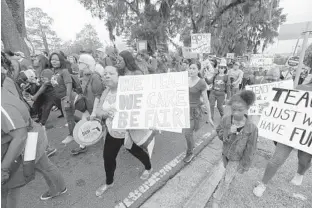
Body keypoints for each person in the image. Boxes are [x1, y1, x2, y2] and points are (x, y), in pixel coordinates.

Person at [1, 55, 66, 208]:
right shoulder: (7, 81)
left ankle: (58, 188)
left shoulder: (5, 84)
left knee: (42, 166)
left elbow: (19, 132)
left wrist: (2, 167)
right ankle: (59, 188)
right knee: (43, 165)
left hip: (28, 139)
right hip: (29, 135)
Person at [94, 66, 153, 196]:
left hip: (128, 133)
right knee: (108, 158)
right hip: (112, 133)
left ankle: (148, 167)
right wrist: (105, 114)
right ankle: (109, 182)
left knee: (138, 153)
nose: (107, 76)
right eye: (104, 74)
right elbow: (98, 110)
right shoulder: (105, 92)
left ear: (119, 76)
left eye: (111, 73)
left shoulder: (128, 90)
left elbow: (144, 105)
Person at [253, 79, 312, 198]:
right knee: (277, 159)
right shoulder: (301, 88)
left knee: (304, 160)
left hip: (308, 135)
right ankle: (263, 183)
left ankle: (300, 174)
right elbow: (284, 106)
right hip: (289, 131)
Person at [211, 90, 258, 208]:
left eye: (240, 110)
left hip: (237, 158)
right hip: (225, 154)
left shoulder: (251, 127)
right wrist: (227, 132)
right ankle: (229, 176)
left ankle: (217, 198)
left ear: (247, 108)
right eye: (233, 110)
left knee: (226, 179)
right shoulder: (226, 119)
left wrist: (245, 164)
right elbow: (219, 132)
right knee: (227, 170)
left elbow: (251, 148)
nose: (236, 113)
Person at [70, 54, 105, 155]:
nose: (78, 64)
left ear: (86, 63)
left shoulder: (95, 77)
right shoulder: (83, 75)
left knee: (102, 125)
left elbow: (98, 95)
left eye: (80, 62)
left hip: (96, 107)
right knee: (81, 122)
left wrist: (94, 111)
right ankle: (82, 145)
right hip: (86, 105)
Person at [184, 62, 214, 163]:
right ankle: (191, 147)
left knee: (187, 133)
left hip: (194, 112)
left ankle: (190, 153)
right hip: (184, 110)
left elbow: (206, 100)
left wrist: (209, 117)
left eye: (194, 68)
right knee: (187, 133)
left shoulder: (201, 82)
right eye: (190, 68)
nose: (191, 70)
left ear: (198, 70)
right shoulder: (184, 80)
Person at [49, 52, 77, 144]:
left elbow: (69, 85)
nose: (54, 61)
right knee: (70, 117)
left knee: (70, 117)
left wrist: (67, 100)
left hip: (68, 97)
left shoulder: (64, 71)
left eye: (56, 60)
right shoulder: (54, 71)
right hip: (62, 98)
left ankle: (73, 135)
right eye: (52, 59)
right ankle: (76, 133)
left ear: (61, 61)